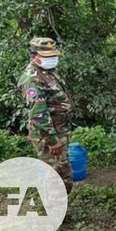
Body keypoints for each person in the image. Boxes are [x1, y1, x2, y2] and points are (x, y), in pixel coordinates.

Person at [17, 38, 75, 194]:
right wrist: (52, 140)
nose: (51, 59)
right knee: (56, 174)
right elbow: (38, 114)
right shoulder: (33, 79)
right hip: (49, 134)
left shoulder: (47, 72)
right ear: (33, 56)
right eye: (46, 56)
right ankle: (54, 212)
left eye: (53, 55)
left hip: (59, 129)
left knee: (62, 172)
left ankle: (58, 209)